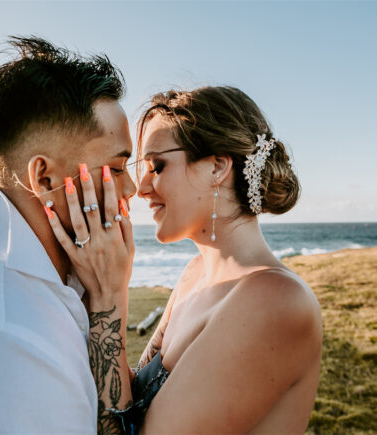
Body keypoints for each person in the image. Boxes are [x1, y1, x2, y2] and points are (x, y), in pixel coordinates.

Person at [49, 86, 323, 433]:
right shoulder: (195, 275)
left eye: (157, 165)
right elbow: (130, 400)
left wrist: (110, 297)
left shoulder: (275, 301)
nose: (141, 187)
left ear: (217, 167)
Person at [0, 36, 136, 433]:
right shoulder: (7, 343)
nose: (131, 189)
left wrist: (108, 299)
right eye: (116, 168)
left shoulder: (52, 292)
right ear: (45, 178)